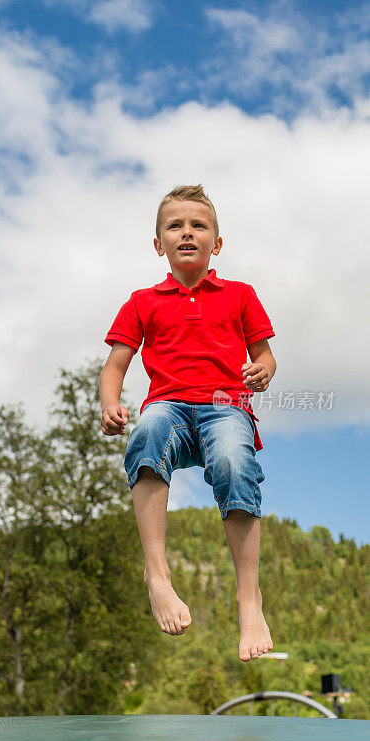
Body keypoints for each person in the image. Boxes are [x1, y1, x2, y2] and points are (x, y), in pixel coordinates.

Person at [99, 184, 276, 662]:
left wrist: (263, 371)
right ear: (159, 244)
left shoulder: (240, 295)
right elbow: (115, 366)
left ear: (216, 243)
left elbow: (265, 355)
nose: (187, 233)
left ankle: (249, 599)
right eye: (174, 226)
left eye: (199, 226)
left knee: (235, 464)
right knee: (148, 431)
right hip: (170, 406)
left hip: (226, 406)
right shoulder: (142, 301)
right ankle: (157, 574)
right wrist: (110, 404)